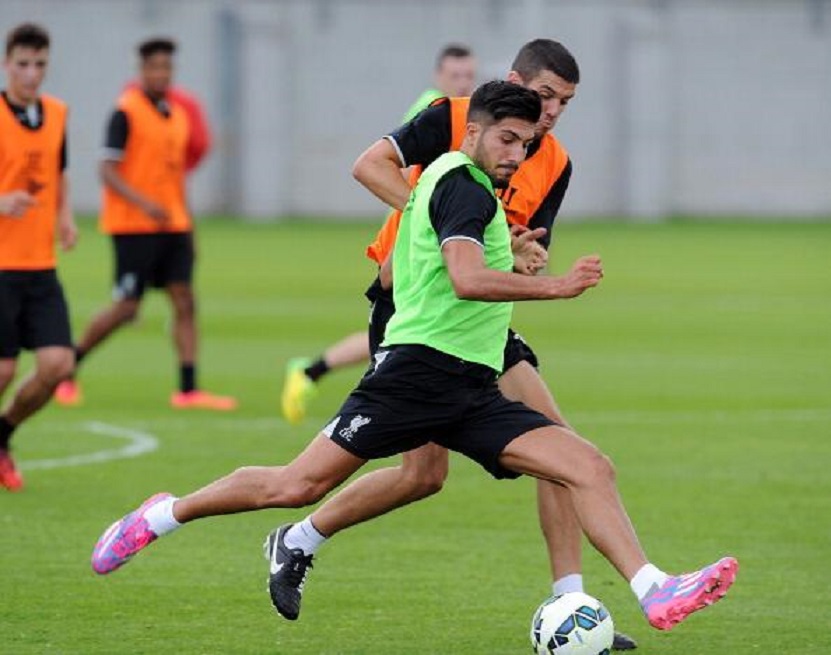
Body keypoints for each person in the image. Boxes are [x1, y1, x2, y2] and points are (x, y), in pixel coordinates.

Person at [91, 82, 738, 637]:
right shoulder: (462, 186)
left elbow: (452, 260)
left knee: (586, 465)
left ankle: (653, 589)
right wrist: (557, 286)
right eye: (507, 140)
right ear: (474, 131)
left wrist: (512, 253)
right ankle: (161, 516)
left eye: (525, 144)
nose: (517, 155)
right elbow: (465, 277)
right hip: (414, 376)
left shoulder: (470, 186)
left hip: (471, 387)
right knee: (295, 485)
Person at [280, 39, 638, 651]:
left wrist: (524, 254)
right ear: (514, 82)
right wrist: (440, 218)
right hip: (413, 310)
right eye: (545, 95)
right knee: (421, 477)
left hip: (479, 319)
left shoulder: (554, 162)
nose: (552, 112)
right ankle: (298, 537)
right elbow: (369, 165)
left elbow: (526, 244)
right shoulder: (452, 117)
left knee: (561, 450)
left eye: (565, 103)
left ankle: (570, 604)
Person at [281, 43, 477, 425]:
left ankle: (312, 372)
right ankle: (342, 411)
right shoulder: (434, 108)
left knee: (402, 336)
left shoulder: (463, 114)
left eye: (469, 75)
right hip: (413, 239)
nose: (463, 82)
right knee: (402, 342)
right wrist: (427, 218)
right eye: (455, 75)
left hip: (426, 237)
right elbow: (396, 168)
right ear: (438, 76)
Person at [52, 38, 236, 411]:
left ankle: (188, 390)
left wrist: (188, 226)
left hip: (174, 226)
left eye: (166, 68)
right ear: (141, 71)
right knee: (126, 309)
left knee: (185, 301)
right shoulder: (125, 112)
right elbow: (107, 170)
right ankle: (66, 370)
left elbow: (177, 177)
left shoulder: (177, 115)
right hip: (134, 227)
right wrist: (144, 203)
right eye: (154, 67)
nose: (161, 74)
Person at [0, 23, 77, 491]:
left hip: (40, 265)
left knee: (57, 365)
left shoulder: (57, 113)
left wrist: (65, 218)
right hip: (1, 266)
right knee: (4, 369)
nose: (32, 73)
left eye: (40, 64)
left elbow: (58, 171)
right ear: (7, 64)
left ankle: (2, 433)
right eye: (23, 64)